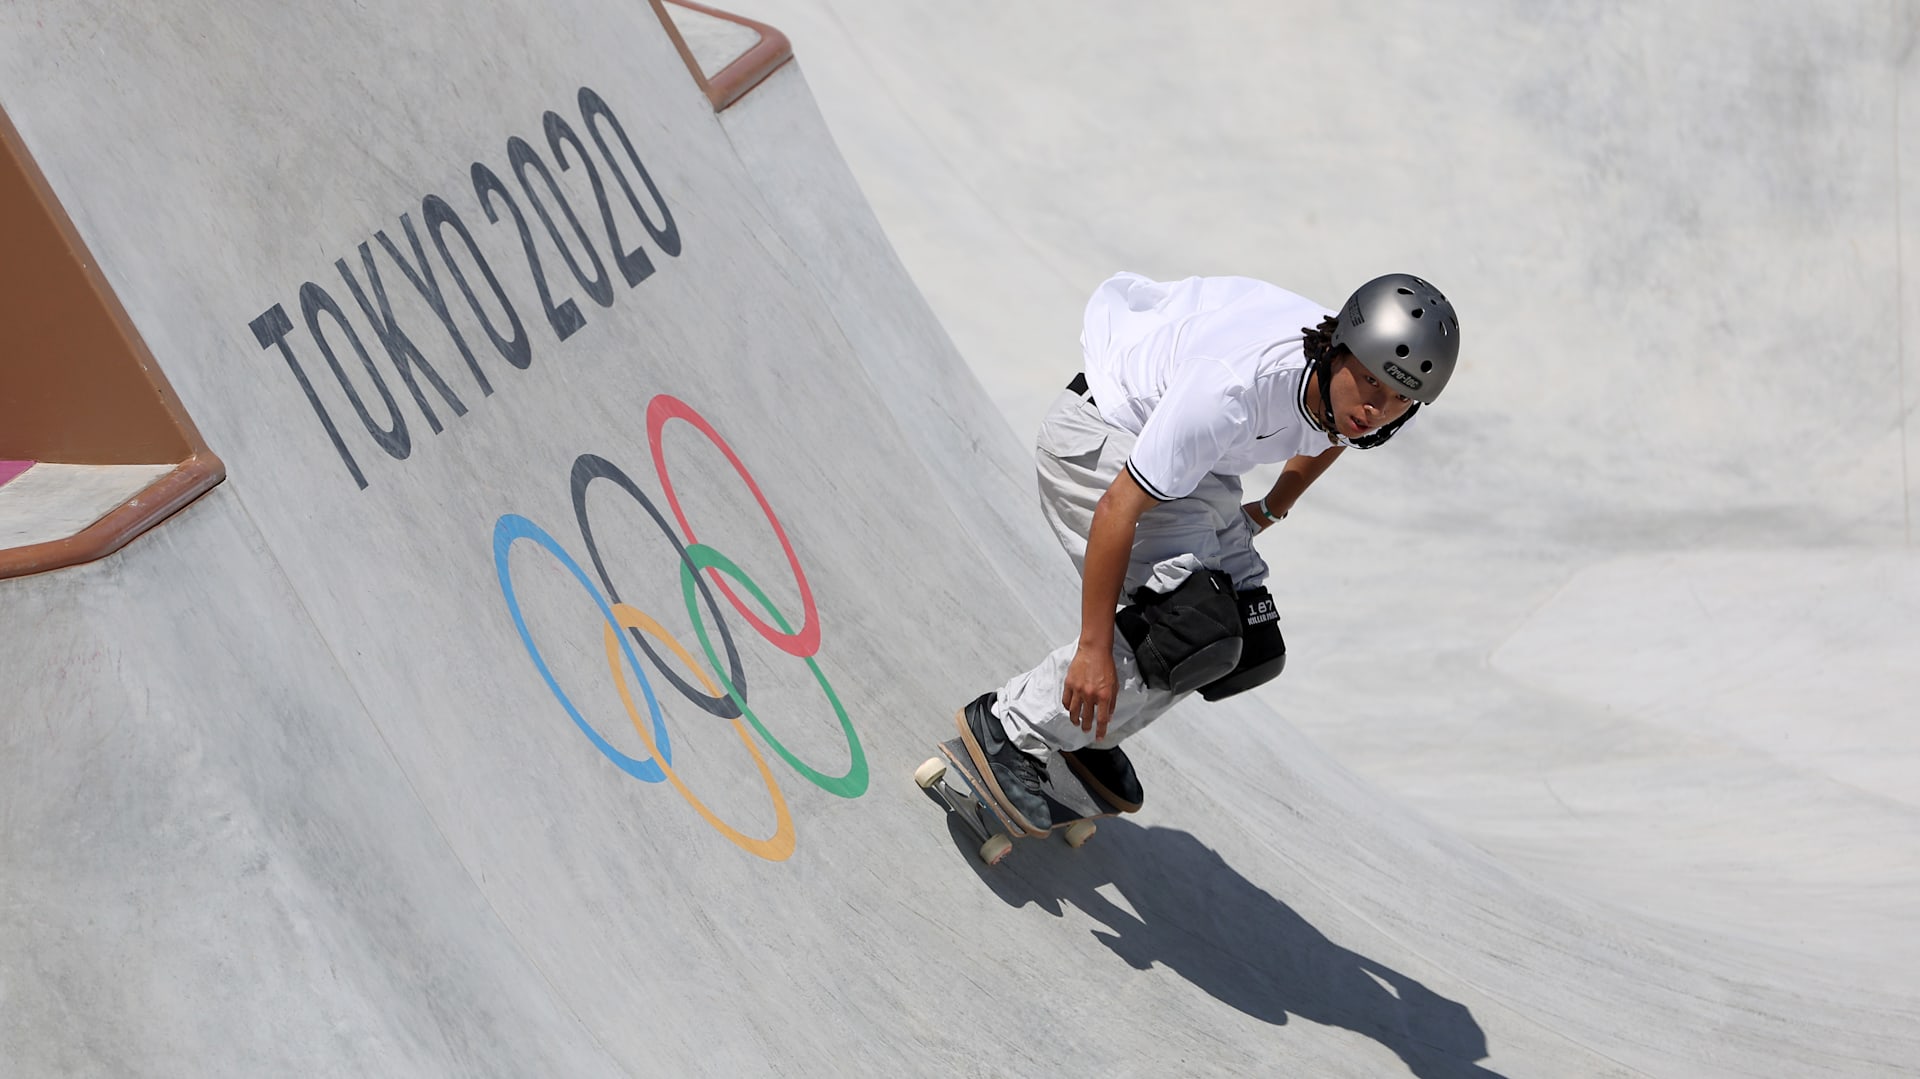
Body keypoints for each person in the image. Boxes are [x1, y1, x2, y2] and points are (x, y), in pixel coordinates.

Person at [956, 270, 1461, 835]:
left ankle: (1087, 732)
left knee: (1250, 644)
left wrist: (1272, 506)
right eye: (1370, 385)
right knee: (1189, 625)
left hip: (1197, 469)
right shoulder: (1232, 389)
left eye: (1399, 401)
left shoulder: (1342, 384)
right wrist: (1093, 649)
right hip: (1100, 441)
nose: (1375, 410)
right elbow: (1116, 511)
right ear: (1338, 351)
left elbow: (1335, 435)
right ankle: (1008, 728)